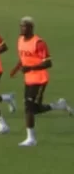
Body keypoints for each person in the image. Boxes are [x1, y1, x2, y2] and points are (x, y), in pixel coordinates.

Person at [10, 16, 72, 147]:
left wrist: (31, 68)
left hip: (40, 79)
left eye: (24, 26)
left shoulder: (39, 43)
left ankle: (31, 139)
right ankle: (59, 105)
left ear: (31, 27)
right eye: (20, 25)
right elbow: (23, 57)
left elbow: (48, 63)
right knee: (35, 109)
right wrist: (16, 69)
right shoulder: (20, 40)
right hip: (28, 79)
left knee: (29, 108)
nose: (21, 28)